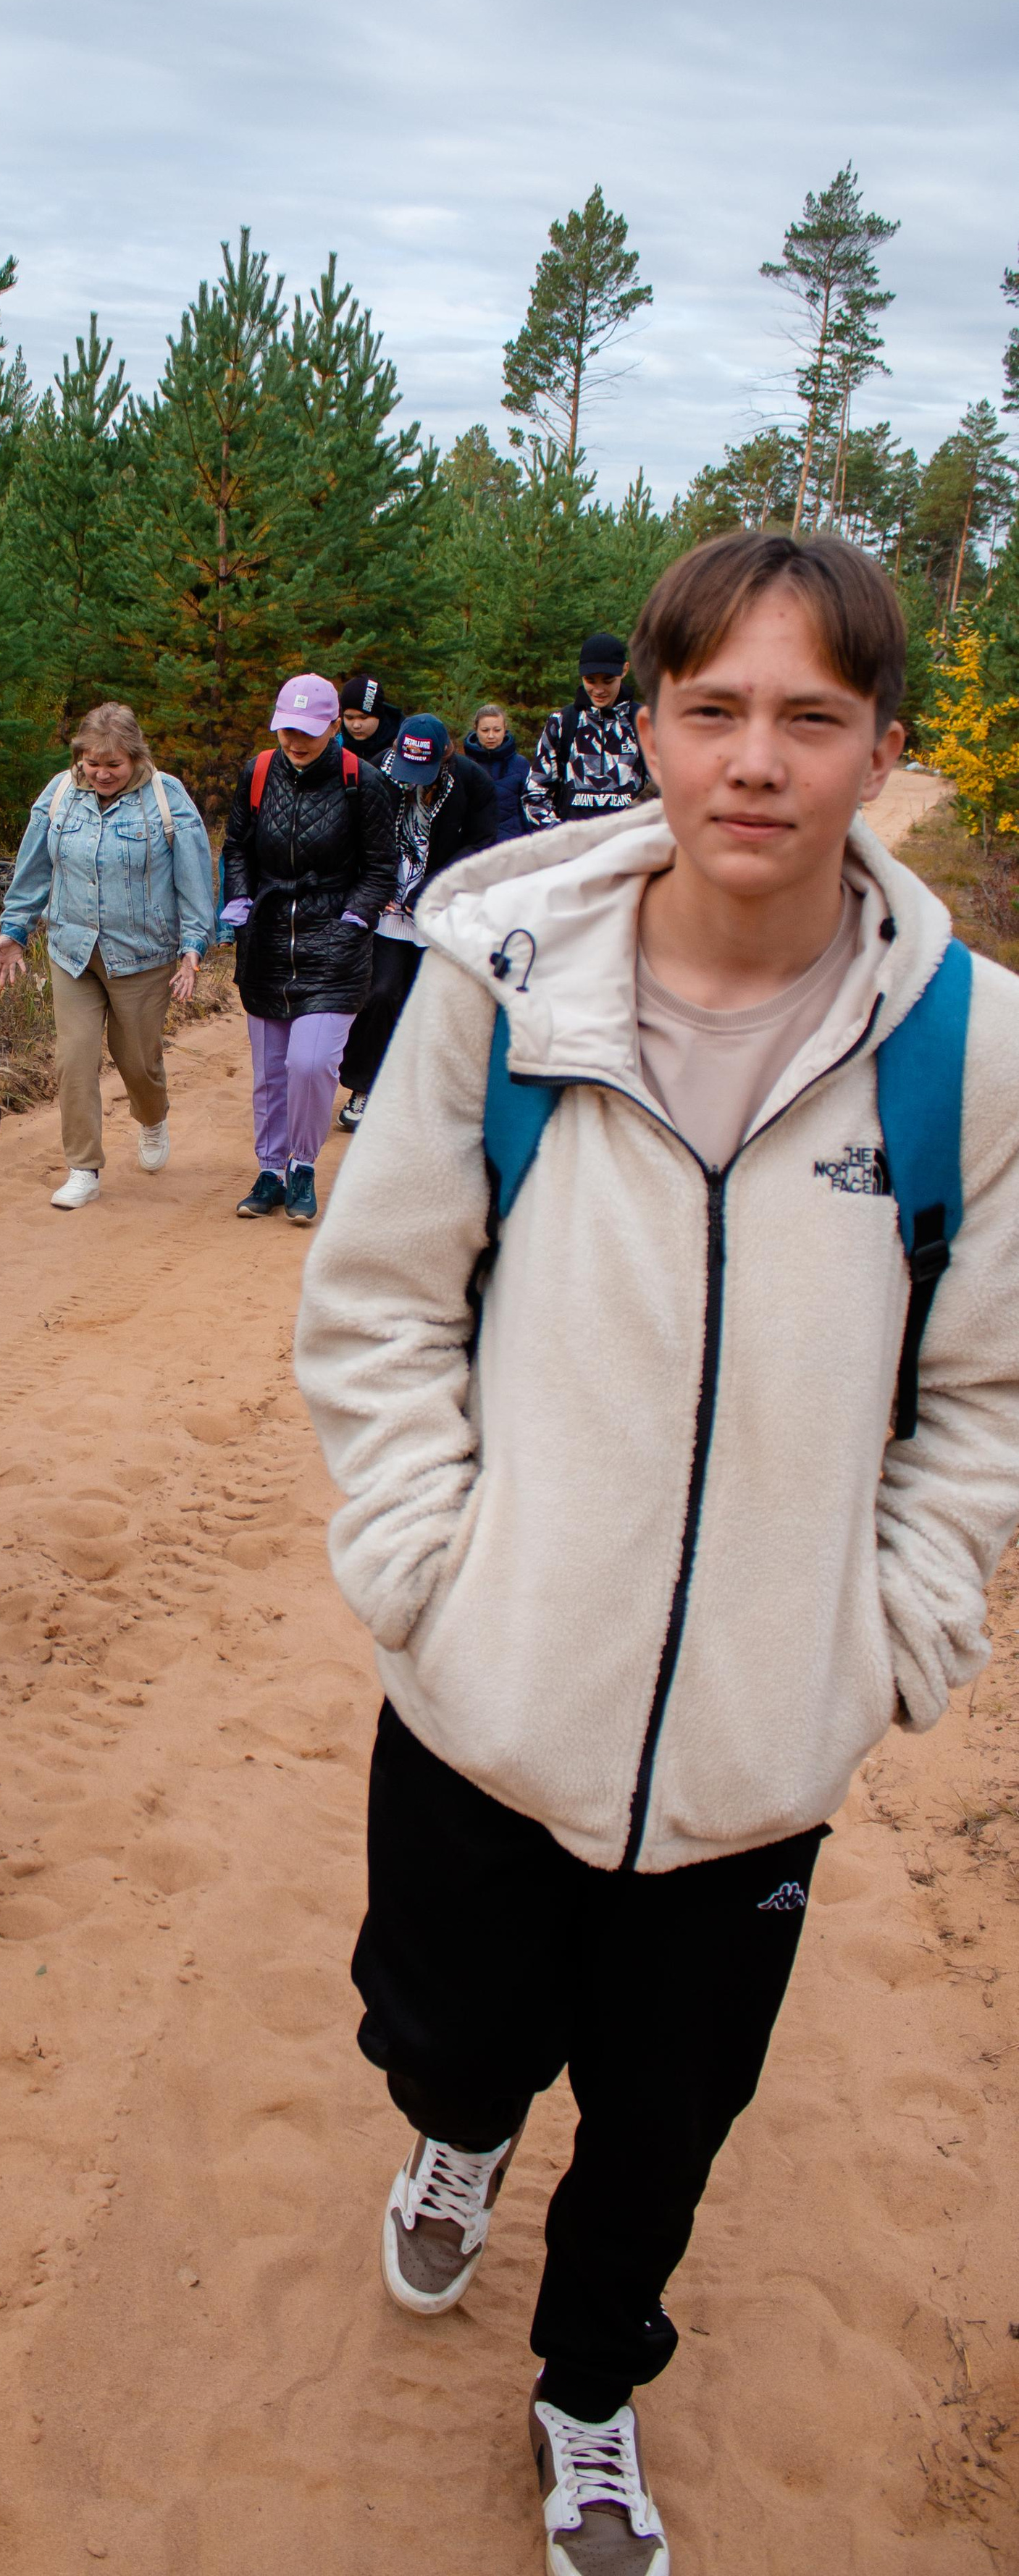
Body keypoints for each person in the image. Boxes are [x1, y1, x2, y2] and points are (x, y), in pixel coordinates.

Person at [295, 529, 1019, 2573]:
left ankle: (591, 2390)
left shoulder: (974, 1053)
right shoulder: (498, 991)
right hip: (484, 1704)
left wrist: (884, 1642)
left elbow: (985, 1401)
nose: (757, 761)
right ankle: (458, 2124)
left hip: (754, 1766)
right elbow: (376, 1310)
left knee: (669, 2123)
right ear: (648, 729)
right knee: (443, 2037)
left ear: (884, 747)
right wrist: (436, 1574)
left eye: (811, 716)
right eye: (713, 710)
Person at [0, 704, 211, 1210]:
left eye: (114, 764)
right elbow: (34, 867)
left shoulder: (166, 797)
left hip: (143, 955)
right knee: (75, 1058)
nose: (103, 773)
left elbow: (195, 878)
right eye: (93, 763)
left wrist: (193, 947)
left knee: (138, 1061)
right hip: (72, 951)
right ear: (80, 758)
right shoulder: (61, 794)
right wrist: (15, 930)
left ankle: (152, 1118)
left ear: (136, 757)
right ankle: (83, 1167)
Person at [220, 673, 393, 1225]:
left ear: (334, 726)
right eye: (286, 730)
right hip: (268, 939)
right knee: (272, 1071)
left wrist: (353, 919)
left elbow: (380, 867)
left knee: (311, 1063)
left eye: (308, 732)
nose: (295, 741)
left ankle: (303, 1166)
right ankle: (270, 1171)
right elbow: (238, 847)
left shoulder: (361, 783)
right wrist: (240, 899)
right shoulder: (258, 772)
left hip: (334, 942)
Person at [335, 714, 496, 1132]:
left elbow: (483, 840)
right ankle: (363, 1086)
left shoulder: (472, 781)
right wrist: (372, 885)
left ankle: (428, 1097)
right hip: (387, 911)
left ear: (446, 754)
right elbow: (355, 835)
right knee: (380, 993)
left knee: (431, 1001)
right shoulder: (376, 773)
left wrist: (438, 884)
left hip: (439, 913)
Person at [522, 631, 647, 828]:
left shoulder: (644, 722)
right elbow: (535, 794)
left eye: (607, 681)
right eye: (590, 680)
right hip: (573, 851)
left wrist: (636, 831)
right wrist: (560, 838)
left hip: (631, 847)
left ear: (624, 670)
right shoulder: (562, 723)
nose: (599, 690)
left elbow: (668, 789)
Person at [464, 703, 533, 841]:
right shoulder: (464, 766)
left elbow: (530, 808)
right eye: (485, 730)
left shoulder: (520, 764)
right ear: (476, 729)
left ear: (505, 729)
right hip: (475, 846)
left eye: (497, 730)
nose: (491, 736)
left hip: (513, 844)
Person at [337, 670, 405, 763]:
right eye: (349, 718)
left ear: (379, 714)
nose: (356, 725)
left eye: (364, 717)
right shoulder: (337, 745)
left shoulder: (404, 744)